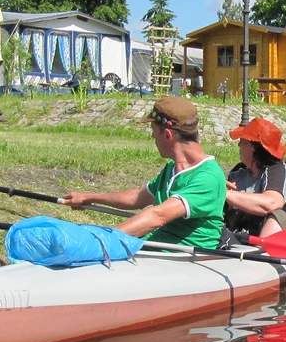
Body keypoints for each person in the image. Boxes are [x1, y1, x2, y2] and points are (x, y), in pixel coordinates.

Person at [62, 97, 226, 249]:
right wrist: (88, 197)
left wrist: (100, 240)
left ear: (168, 135)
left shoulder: (208, 177)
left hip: (184, 263)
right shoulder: (172, 167)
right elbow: (138, 198)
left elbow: (158, 215)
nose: (153, 137)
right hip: (154, 253)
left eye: (154, 132)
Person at [224, 117, 286, 242]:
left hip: (271, 236)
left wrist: (223, 192)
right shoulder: (238, 171)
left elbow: (271, 203)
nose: (239, 144)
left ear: (254, 146)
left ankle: (262, 252)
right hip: (239, 233)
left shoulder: (277, 170)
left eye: (242, 140)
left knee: (278, 215)